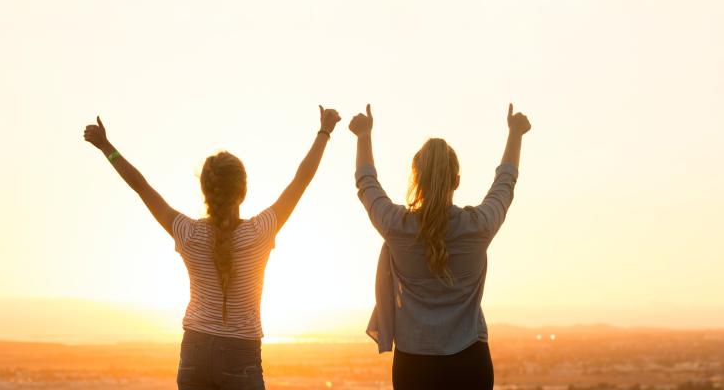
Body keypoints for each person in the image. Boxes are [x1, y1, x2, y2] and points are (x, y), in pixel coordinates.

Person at [83, 106, 342, 390]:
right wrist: (324, 131)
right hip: (241, 355)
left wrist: (106, 147)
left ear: (205, 191)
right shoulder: (259, 232)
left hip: (194, 351)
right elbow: (301, 180)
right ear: (242, 191)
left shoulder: (189, 233)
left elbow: (142, 187)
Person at [349, 103, 531, 390]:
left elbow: (366, 182)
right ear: (456, 181)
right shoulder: (478, 227)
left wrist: (363, 135)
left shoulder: (397, 226)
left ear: (416, 180)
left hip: (413, 365)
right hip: (470, 362)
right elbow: (505, 183)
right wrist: (516, 133)